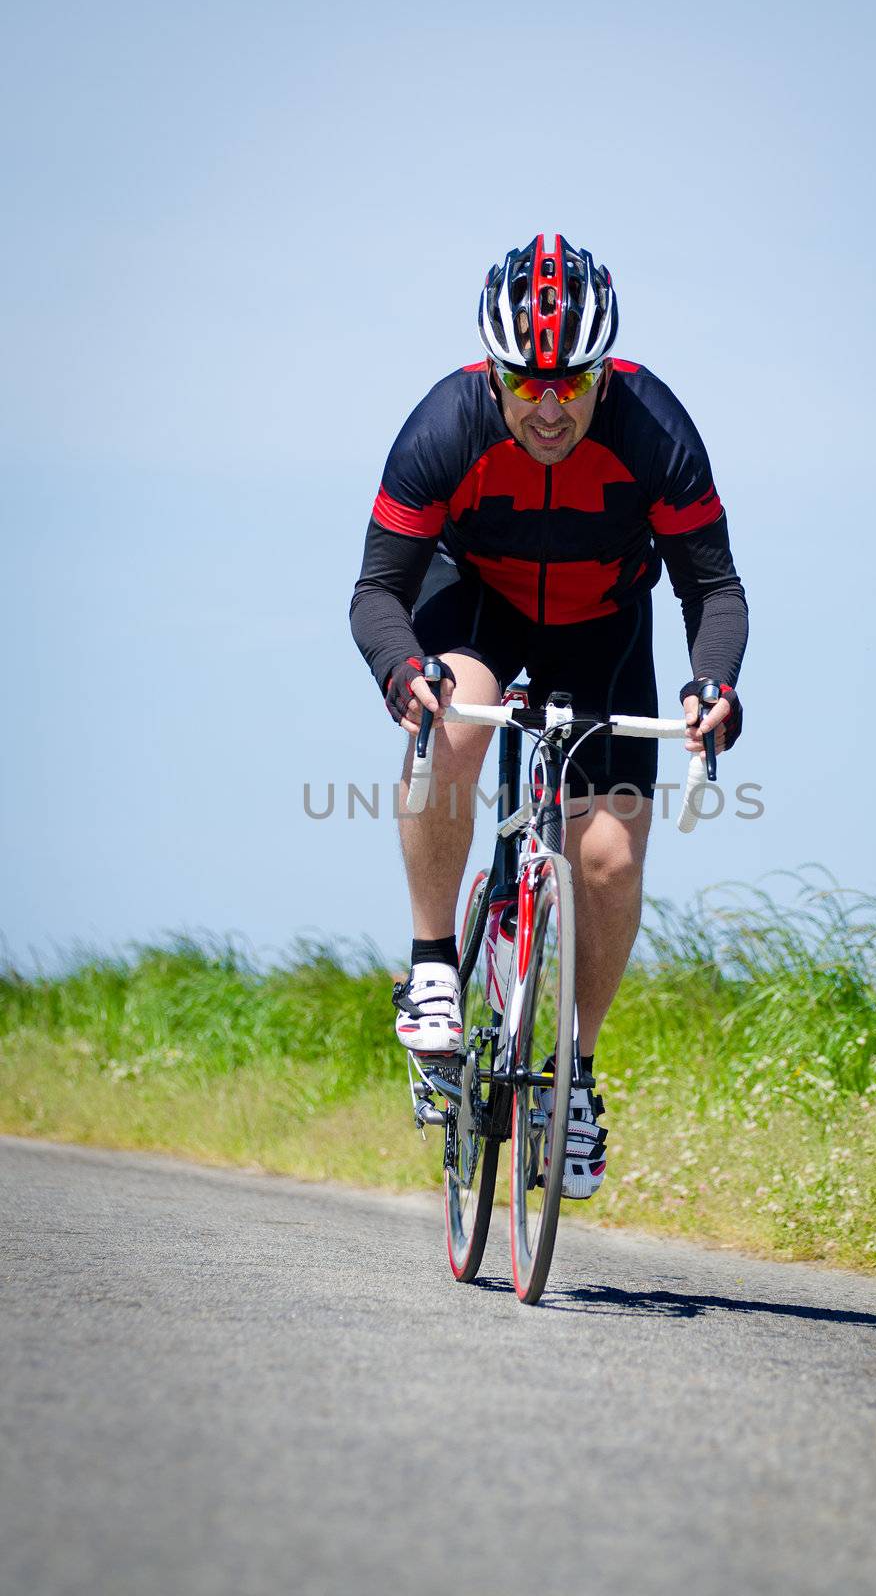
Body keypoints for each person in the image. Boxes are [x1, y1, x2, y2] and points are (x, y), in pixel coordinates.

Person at [350, 233, 748, 1199]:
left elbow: (716, 592)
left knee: (607, 856)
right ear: (493, 373)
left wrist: (714, 685)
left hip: (604, 626)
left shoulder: (655, 431)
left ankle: (572, 1070)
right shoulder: (445, 427)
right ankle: (434, 961)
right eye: (524, 383)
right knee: (460, 716)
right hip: (476, 605)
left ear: (602, 373)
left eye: (571, 383)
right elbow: (376, 594)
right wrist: (403, 671)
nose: (548, 407)